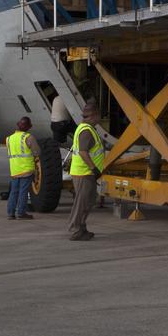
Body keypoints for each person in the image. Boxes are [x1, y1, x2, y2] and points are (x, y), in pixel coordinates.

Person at [67, 100, 106, 241]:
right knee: (81, 203)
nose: (100, 118)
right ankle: (75, 230)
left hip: (86, 173)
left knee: (88, 202)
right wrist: (93, 168)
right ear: (94, 115)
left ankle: (81, 228)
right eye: (99, 115)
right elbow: (83, 152)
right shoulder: (86, 131)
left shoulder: (86, 128)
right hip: (84, 173)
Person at [6, 116, 36, 220]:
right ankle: (21, 213)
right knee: (23, 191)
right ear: (29, 126)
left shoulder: (9, 138)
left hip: (15, 169)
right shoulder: (28, 137)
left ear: (18, 125)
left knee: (14, 192)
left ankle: (10, 213)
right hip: (26, 169)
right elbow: (37, 152)